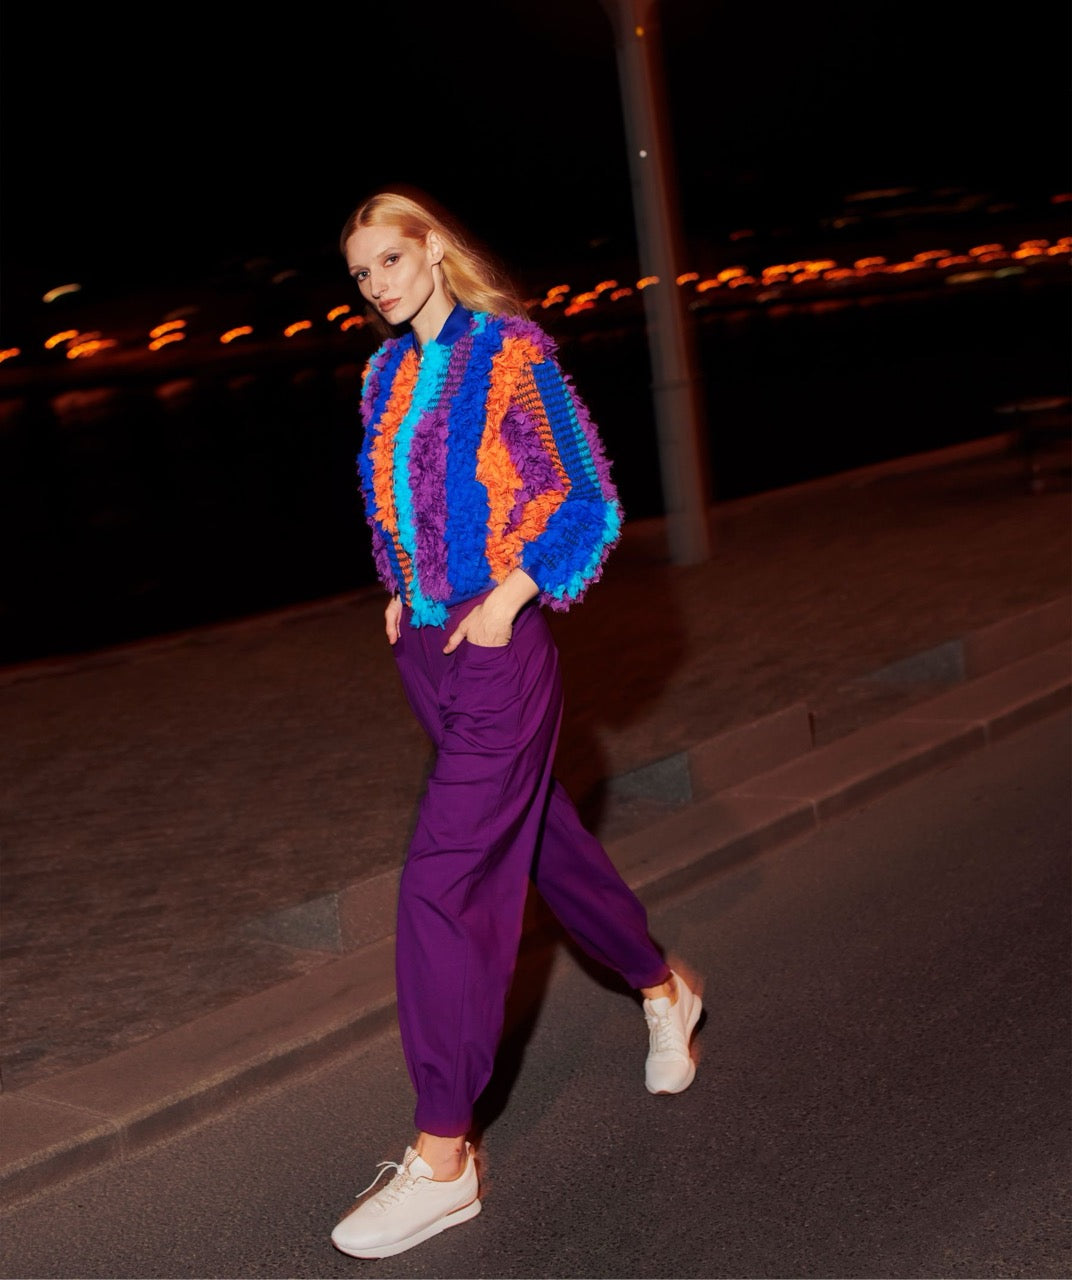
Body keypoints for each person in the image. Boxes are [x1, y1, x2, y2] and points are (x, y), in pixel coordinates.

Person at [330, 187, 702, 1261]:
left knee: (441, 882)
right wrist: (397, 586)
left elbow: (586, 497)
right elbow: (396, 494)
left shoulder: (510, 353)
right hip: (424, 653)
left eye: (389, 260)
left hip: (497, 654)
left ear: (433, 249)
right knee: (545, 846)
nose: (377, 285)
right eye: (360, 273)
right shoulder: (383, 373)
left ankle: (445, 1156)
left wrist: (507, 598)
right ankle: (662, 984)